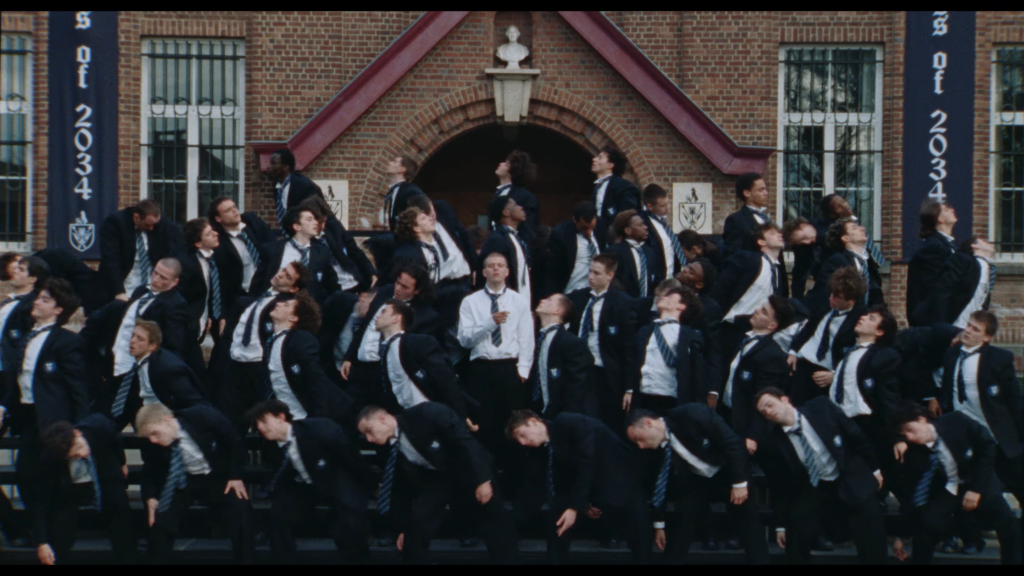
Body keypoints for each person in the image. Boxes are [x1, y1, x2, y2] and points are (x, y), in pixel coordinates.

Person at [357, 403, 519, 564]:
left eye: (369, 431)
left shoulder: (426, 414)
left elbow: (465, 443)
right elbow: (400, 487)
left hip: (467, 469)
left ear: (382, 418)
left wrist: (483, 479)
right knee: (418, 520)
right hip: (436, 478)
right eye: (366, 435)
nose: (369, 439)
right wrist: (402, 528)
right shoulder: (387, 448)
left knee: (494, 517)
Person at [0, 279, 91, 547]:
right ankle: (35, 534)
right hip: (28, 417)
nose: (37, 302)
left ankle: (56, 540)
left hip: (54, 422)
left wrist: (79, 428)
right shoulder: (27, 336)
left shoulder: (66, 342)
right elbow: (18, 382)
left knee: (53, 482)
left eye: (45, 300)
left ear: (58, 310)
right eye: (38, 297)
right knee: (25, 475)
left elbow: (78, 389)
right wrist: (4, 407)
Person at [754, 388, 886, 564]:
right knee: (795, 527)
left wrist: (875, 469)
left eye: (770, 405)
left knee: (871, 526)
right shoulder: (772, 442)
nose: (769, 412)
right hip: (815, 485)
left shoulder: (821, 407)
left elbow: (855, 436)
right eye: (764, 412)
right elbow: (780, 485)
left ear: (784, 399)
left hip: (846, 473)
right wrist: (780, 525)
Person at [625, 406, 769, 565]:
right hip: (695, 481)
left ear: (648, 423)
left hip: (728, 473)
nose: (640, 445)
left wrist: (740, 482)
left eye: (639, 438)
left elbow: (732, 444)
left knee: (749, 521)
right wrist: (659, 524)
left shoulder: (692, 415)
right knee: (681, 525)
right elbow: (660, 484)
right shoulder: (652, 452)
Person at [507, 410, 651, 564]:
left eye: (522, 435)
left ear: (533, 422)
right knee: (559, 517)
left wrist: (576, 506)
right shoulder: (541, 450)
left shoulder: (568, 422)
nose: (522, 442)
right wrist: (581, 503)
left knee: (638, 532)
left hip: (620, 480)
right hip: (587, 487)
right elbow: (546, 483)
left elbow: (587, 462)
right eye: (518, 440)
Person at [891, 403, 1021, 565]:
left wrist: (976, 489)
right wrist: (902, 535)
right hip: (949, 487)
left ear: (922, 419)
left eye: (911, 430)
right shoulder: (913, 453)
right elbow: (913, 492)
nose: (910, 437)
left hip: (978, 480)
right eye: (904, 435)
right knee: (928, 522)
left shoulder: (956, 421)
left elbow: (987, 447)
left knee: (1006, 521)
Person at [249, 400, 376, 564]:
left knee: (350, 523)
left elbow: (352, 459)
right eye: (257, 424)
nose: (260, 427)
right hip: (303, 485)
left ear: (281, 417)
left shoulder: (318, 429)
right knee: (277, 516)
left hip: (334, 481)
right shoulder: (268, 445)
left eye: (264, 421)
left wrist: (372, 484)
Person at [135, 402, 253, 564]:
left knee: (240, 510)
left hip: (217, 477)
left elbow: (233, 441)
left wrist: (235, 476)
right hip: (183, 480)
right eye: (149, 436)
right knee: (160, 520)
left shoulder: (201, 416)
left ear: (167, 420)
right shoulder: (153, 444)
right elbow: (149, 473)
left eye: (155, 433)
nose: (153, 440)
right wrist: (151, 498)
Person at [457, 252, 534, 470]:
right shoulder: (470, 302)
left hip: (509, 367)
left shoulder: (518, 301)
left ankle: (512, 473)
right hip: (481, 368)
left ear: (508, 272)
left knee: (511, 422)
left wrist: (523, 370)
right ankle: (486, 474)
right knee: (485, 422)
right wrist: (489, 324)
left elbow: (526, 337)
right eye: (491, 266)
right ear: (483, 272)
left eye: (501, 265)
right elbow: (464, 339)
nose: (496, 269)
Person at [938, 311, 1023, 506]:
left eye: (975, 329)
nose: (967, 330)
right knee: (970, 483)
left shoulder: (999, 358)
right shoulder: (951, 355)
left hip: (996, 433)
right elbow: (947, 391)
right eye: (968, 325)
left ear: (986, 337)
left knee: (1016, 481)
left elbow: (1014, 399)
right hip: (966, 433)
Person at [821, 305, 903, 501]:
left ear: (880, 331)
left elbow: (888, 397)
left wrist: (896, 436)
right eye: (865, 315)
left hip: (866, 424)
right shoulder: (848, 353)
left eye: (871, 319)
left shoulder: (883, 356)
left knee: (868, 482)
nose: (863, 318)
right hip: (841, 422)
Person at [219, 262, 306, 432]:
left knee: (259, 415)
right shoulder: (257, 298)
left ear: (294, 289)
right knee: (229, 415)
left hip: (258, 366)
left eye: (287, 276)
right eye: (283, 270)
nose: (280, 274)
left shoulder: (283, 306)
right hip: (235, 362)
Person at [35, 415, 134, 564]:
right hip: (72, 488)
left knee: (120, 512)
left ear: (77, 433)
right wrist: (42, 542)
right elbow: (42, 500)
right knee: (61, 524)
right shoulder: (50, 458)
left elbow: (115, 435)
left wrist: (122, 462)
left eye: (79, 448)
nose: (82, 454)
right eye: (74, 456)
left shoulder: (98, 426)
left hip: (105, 476)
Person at [82, 257, 190, 390]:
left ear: (174, 282)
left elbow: (173, 342)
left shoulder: (175, 304)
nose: (156, 279)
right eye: (155, 273)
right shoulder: (141, 290)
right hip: (115, 359)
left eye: (163, 278)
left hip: (137, 367)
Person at [340, 262, 439, 405]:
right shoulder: (385, 291)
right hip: (360, 366)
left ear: (417, 290)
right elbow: (365, 325)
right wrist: (349, 356)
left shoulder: (425, 316)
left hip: (384, 373)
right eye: (397, 282)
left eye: (404, 287)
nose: (398, 289)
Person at [260, 292, 354, 426]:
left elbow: (316, 380)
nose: (278, 303)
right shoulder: (271, 342)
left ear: (294, 317)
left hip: (306, 417)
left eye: (286, 305)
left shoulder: (300, 338)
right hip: (284, 419)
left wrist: (318, 422)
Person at [567, 254, 636, 431]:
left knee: (607, 418)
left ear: (610, 276)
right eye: (590, 271)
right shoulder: (578, 298)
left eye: (597, 273)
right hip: (580, 368)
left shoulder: (622, 303)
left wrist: (629, 386)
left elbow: (629, 347)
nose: (591, 276)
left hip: (606, 370)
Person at [718, 295, 793, 453]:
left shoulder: (772, 355)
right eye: (761, 307)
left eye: (764, 312)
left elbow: (765, 397)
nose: (757, 311)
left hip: (742, 422)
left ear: (772, 325)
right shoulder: (743, 337)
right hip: (724, 412)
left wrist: (753, 435)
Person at [370, 298, 468, 419]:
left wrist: (460, 415)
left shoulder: (417, 342)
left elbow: (444, 379)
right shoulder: (384, 351)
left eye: (383, 312)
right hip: (407, 418)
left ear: (396, 318)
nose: (377, 316)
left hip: (431, 415)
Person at [786, 266, 867, 405]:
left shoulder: (860, 318)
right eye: (831, 293)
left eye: (837, 297)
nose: (831, 298)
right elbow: (808, 328)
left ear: (851, 300)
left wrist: (835, 375)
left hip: (827, 371)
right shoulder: (823, 304)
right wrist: (793, 351)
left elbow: (857, 354)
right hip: (805, 362)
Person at [106, 320, 207, 431]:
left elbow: (194, 403)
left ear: (153, 346)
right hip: (146, 419)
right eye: (132, 335)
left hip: (168, 426)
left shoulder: (168, 369)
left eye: (140, 339)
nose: (132, 341)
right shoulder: (137, 363)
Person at [624, 286, 706, 414]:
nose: (663, 297)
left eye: (670, 297)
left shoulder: (689, 335)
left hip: (672, 398)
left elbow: (697, 373)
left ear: (681, 306)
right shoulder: (645, 331)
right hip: (643, 396)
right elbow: (633, 362)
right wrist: (630, 389)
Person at [405, 194, 476, 340]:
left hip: (465, 279)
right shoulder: (421, 235)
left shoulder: (443, 210)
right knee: (447, 331)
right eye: (426, 215)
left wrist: (475, 265)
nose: (432, 217)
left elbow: (463, 236)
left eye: (432, 212)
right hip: (443, 286)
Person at [713, 222, 788, 355]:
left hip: (761, 327)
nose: (779, 235)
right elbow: (722, 289)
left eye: (779, 232)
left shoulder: (777, 269)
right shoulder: (747, 259)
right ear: (761, 241)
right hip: (735, 325)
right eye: (772, 233)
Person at [98, 198, 184, 302]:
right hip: (124, 284)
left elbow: (175, 246)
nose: (152, 228)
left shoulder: (160, 224)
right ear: (136, 217)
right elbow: (111, 260)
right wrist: (119, 292)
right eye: (148, 225)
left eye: (154, 225)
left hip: (150, 286)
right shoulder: (115, 223)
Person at [252, 206, 339, 303]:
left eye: (315, 219)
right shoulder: (273, 250)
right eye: (309, 219)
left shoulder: (322, 253)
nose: (315, 222)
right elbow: (258, 283)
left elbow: (332, 285)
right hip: (276, 305)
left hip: (308, 309)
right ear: (297, 226)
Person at [531, 294, 595, 418]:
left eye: (549, 300)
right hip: (539, 409)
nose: (542, 300)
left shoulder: (571, 342)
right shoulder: (537, 338)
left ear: (558, 311)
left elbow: (578, 384)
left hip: (562, 413)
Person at [208, 196, 273, 316]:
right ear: (218, 218)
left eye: (234, 207)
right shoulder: (219, 244)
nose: (234, 211)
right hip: (241, 297)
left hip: (266, 291)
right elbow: (223, 282)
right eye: (228, 210)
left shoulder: (254, 227)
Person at [805, 217, 884, 315]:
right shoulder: (837, 261)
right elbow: (825, 293)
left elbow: (876, 293)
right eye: (854, 228)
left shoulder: (869, 262)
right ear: (845, 238)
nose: (862, 229)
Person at [300, 195, 377, 293]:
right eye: (319, 222)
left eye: (324, 221)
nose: (323, 227)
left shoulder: (334, 227)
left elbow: (354, 251)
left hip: (356, 281)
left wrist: (371, 273)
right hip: (334, 291)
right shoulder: (305, 242)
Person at [914, 237, 996, 328]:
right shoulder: (964, 261)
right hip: (956, 322)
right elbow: (943, 291)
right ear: (974, 245)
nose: (990, 243)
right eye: (984, 241)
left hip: (972, 324)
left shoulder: (989, 268)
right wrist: (942, 324)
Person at [177, 217, 223, 379]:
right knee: (197, 374)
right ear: (198, 243)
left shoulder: (212, 259)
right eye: (209, 234)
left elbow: (211, 289)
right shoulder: (187, 263)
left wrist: (209, 314)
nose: (215, 234)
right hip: (187, 327)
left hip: (202, 322)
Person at [0, 255, 50, 384]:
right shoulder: (9, 300)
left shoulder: (32, 305)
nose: (14, 271)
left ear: (32, 279)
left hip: (8, 371)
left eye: (21, 270)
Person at [907, 200, 958, 325]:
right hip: (933, 320)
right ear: (939, 219)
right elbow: (936, 287)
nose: (952, 210)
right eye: (946, 210)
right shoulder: (934, 246)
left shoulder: (944, 244)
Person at [480, 195, 532, 304]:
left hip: (522, 299)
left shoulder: (517, 238)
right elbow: (496, 273)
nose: (521, 208)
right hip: (506, 304)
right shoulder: (497, 239)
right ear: (506, 212)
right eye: (515, 205)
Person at [544, 201, 600, 297]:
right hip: (570, 290)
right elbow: (552, 271)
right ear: (575, 220)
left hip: (595, 290)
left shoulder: (601, 228)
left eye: (591, 228)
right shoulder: (561, 234)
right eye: (584, 228)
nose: (588, 232)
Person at [590, 146, 640, 249]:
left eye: (600, 157)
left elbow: (629, 213)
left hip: (615, 242)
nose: (594, 159)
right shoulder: (597, 188)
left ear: (610, 165)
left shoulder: (623, 186)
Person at [639, 184, 686, 282]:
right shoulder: (643, 223)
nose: (667, 208)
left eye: (668, 203)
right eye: (663, 206)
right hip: (656, 280)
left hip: (671, 278)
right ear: (650, 206)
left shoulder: (663, 223)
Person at [267, 148, 323, 230]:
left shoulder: (304, 185)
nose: (269, 167)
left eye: (273, 164)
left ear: (285, 167)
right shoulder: (277, 187)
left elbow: (319, 212)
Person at [494, 149, 540, 244]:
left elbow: (529, 231)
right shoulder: (498, 194)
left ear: (512, 172)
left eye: (506, 164)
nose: (501, 164)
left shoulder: (526, 197)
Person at [722, 172, 772, 258]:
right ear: (747, 193)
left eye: (765, 189)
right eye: (760, 190)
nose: (765, 193)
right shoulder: (736, 220)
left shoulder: (767, 218)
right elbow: (734, 254)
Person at [608, 210, 656, 298]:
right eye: (640, 225)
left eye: (644, 224)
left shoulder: (649, 252)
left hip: (645, 305)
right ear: (628, 230)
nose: (645, 227)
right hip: (624, 305)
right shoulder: (615, 252)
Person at [380, 155, 425, 232]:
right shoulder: (393, 190)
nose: (390, 163)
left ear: (402, 169)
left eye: (395, 162)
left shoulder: (411, 191)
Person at [784, 216, 821, 300]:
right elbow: (799, 275)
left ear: (803, 225)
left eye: (804, 238)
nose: (806, 242)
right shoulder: (801, 248)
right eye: (801, 242)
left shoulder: (825, 228)